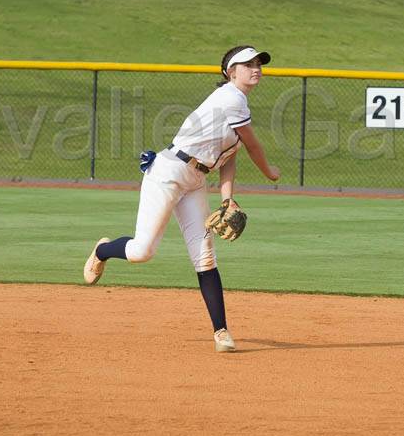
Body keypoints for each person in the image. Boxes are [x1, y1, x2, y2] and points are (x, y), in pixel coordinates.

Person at [83, 45, 281, 353]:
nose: (256, 68)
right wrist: (270, 172)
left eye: (259, 63)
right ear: (232, 72)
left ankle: (221, 333)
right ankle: (103, 249)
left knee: (205, 257)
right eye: (248, 64)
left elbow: (230, 157)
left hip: (195, 179)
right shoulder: (232, 97)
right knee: (142, 251)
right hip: (168, 173)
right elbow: (254, 146)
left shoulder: (236, 104)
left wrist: (228, 199)